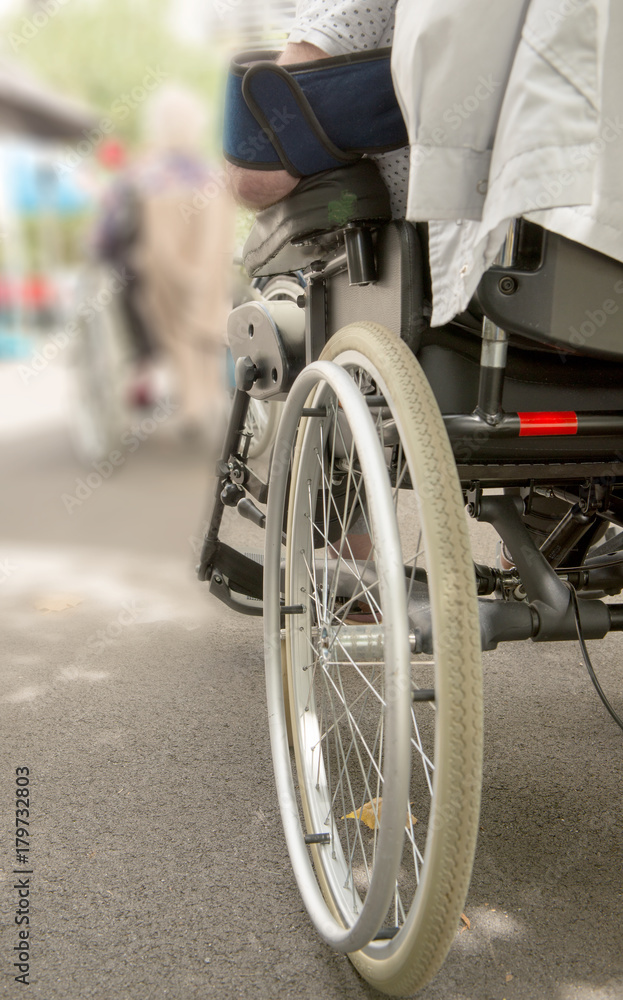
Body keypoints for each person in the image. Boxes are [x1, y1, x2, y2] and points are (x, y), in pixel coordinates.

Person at [94, 82, 235, 432]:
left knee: (152, 297)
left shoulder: (139, 174)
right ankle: (204, 399)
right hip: (208, 281)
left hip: (160, 280)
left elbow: (107, 237)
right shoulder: (211, 175)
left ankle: (195, 402)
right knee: (198, 317)